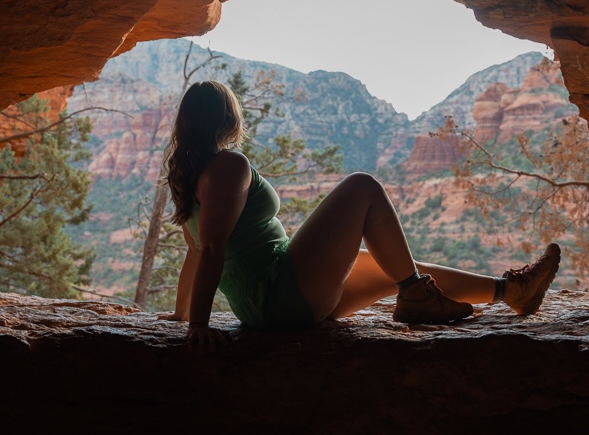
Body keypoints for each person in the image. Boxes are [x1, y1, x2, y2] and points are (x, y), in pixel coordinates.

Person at [160, 80, 561, 351]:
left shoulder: (193, 176)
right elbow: (209, 249)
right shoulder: (229, 166)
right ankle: (417, 295)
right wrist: (197, 325)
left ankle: (511, 292)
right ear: (228, 118)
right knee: (362, 186)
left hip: (269, 302)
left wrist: (182, 315)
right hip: (278, 293)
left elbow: (194, 252)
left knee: (399, 266)